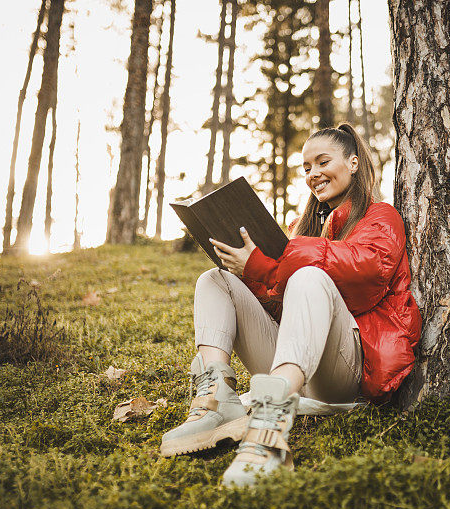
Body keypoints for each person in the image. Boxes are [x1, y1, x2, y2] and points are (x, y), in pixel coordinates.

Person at [160, 123, 422, 486]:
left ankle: (268, 431)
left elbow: (366, 278)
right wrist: (254, 273)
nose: (314, 174)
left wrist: (271, 264)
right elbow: (287, 311)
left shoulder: (381, 216)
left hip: (347, 373)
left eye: (322, 162)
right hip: (297, 367)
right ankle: (217, 401)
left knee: (309, 277)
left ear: (354, 162)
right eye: (306, 168)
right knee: (215, 280)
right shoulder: (308, 231)